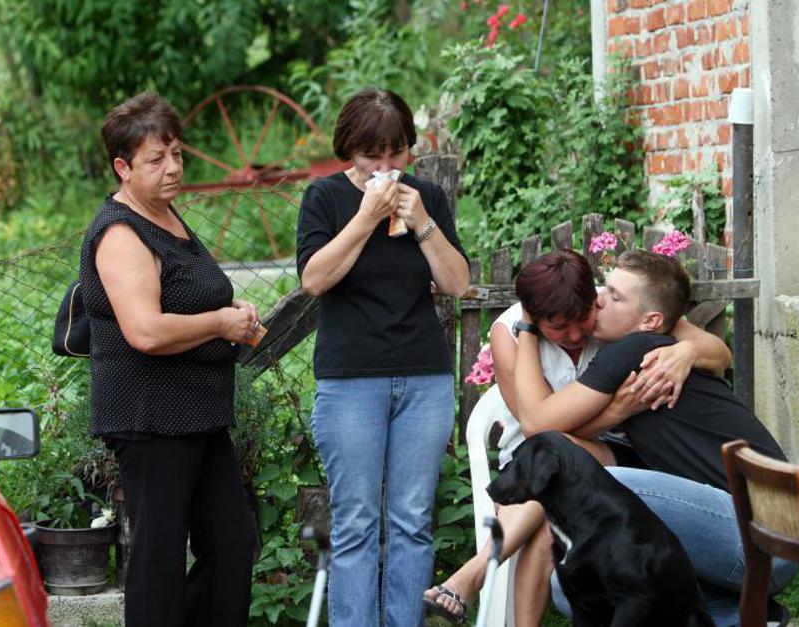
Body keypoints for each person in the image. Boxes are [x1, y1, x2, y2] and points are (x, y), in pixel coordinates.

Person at [424, 250, 733, 624]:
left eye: (581, 320)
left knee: (558, 482)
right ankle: (481, 575)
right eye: (558, 327)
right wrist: (615, 410)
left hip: (611, 456)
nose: (573, 335)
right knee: (552, 486)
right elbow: (539, 428)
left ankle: (476, 572)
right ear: (533, 317)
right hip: (532, 459)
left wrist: (688, 349)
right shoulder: (509, 333)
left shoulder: (613, 310)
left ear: (593, 300)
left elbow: (720, 354)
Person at [514, 249, 798, 627]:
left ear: (650, 321)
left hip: (763, 534)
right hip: (762, 540)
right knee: (574, 589)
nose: (599, 299)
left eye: (615, 296)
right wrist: (616, 413)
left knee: (596, 483)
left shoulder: (634, 349)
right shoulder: (652, 346)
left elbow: (536, 423)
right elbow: (560, 434)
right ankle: (737, 616)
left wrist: (528, 327)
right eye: (604, 288)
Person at [79, 92, 259, 627]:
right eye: (156, 159)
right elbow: (145, 331)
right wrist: (219, 324)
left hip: (199, 416)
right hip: (151, 419)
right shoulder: (119, 232)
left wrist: (231, 312)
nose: (173, 168)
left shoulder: (165, 214)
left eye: (177, 154)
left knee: (230, 543)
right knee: (158, 559)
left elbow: (188, 297)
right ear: (123, 167)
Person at [296, 87, 470, 627]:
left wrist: (423, 224)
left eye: (397, 153)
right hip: (351, 381)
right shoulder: (324, 198)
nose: (386, 166)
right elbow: (314, 279)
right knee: (356, 523)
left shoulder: (427, 197)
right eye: (372, 155)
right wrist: (366, 217)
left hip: (424, 378)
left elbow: (457, 283)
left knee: (412, 521)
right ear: (349, 150)